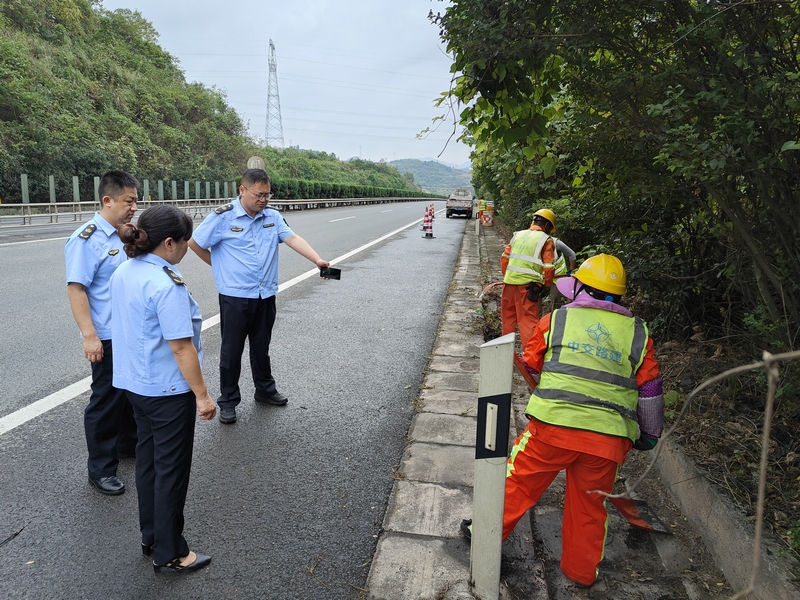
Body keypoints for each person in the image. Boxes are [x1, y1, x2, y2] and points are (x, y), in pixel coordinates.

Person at [462, 254, 664, 587]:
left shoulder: (556, 321)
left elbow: (530, 365)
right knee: (589, 506)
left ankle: (481, 534)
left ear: (580, 288)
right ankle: (582, 573)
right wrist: (651, 433)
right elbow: (651, 389)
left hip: (551, 429)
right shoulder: (638, 333)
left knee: (519, 480)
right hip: (607, 441)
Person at [110, 205, 216, 573]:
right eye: (185, 241)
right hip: (168, 390)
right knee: (171, 470)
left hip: (135, 385)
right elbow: (181, 346)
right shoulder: (165, 282)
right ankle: (171, 552)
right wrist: (202, 395)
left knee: (149, 463)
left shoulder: (124, 270)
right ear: (170, 243)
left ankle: (151, 535)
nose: (188, 248)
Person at [189, 168, 330, 424]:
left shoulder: (272, 217)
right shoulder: (223, 217)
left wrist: (317, 260)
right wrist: (219, 266)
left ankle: (265, 390)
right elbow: (195, 242)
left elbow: (293, 238)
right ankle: (228, 401)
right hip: (235, 297)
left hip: (265, 294)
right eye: (259, 194)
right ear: (242, 190)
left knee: (261, 346)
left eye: (267, 194)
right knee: (231, 351)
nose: (264, 199)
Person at [64, 170, 139, 495]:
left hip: (130, 331)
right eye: (129, 201)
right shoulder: (87, 239)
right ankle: (101, 470)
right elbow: (76, 290)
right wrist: (89, 336)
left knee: (127, 394)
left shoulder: (126, 234)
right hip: (107, 335)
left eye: (135, 201)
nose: (134, 207)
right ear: (107, 200)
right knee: (105, 401)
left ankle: (126, 446)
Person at [499, 208, 561, 349]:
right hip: (528, 288)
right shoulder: (546, 240)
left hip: (508, 284)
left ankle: (505, 355)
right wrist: (547, 284)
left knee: (507, 321)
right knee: (527, 323)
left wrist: (509, 277)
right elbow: (549, 267)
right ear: (546, 225)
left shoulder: (517, 235)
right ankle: (529, 360)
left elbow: (504, 259)